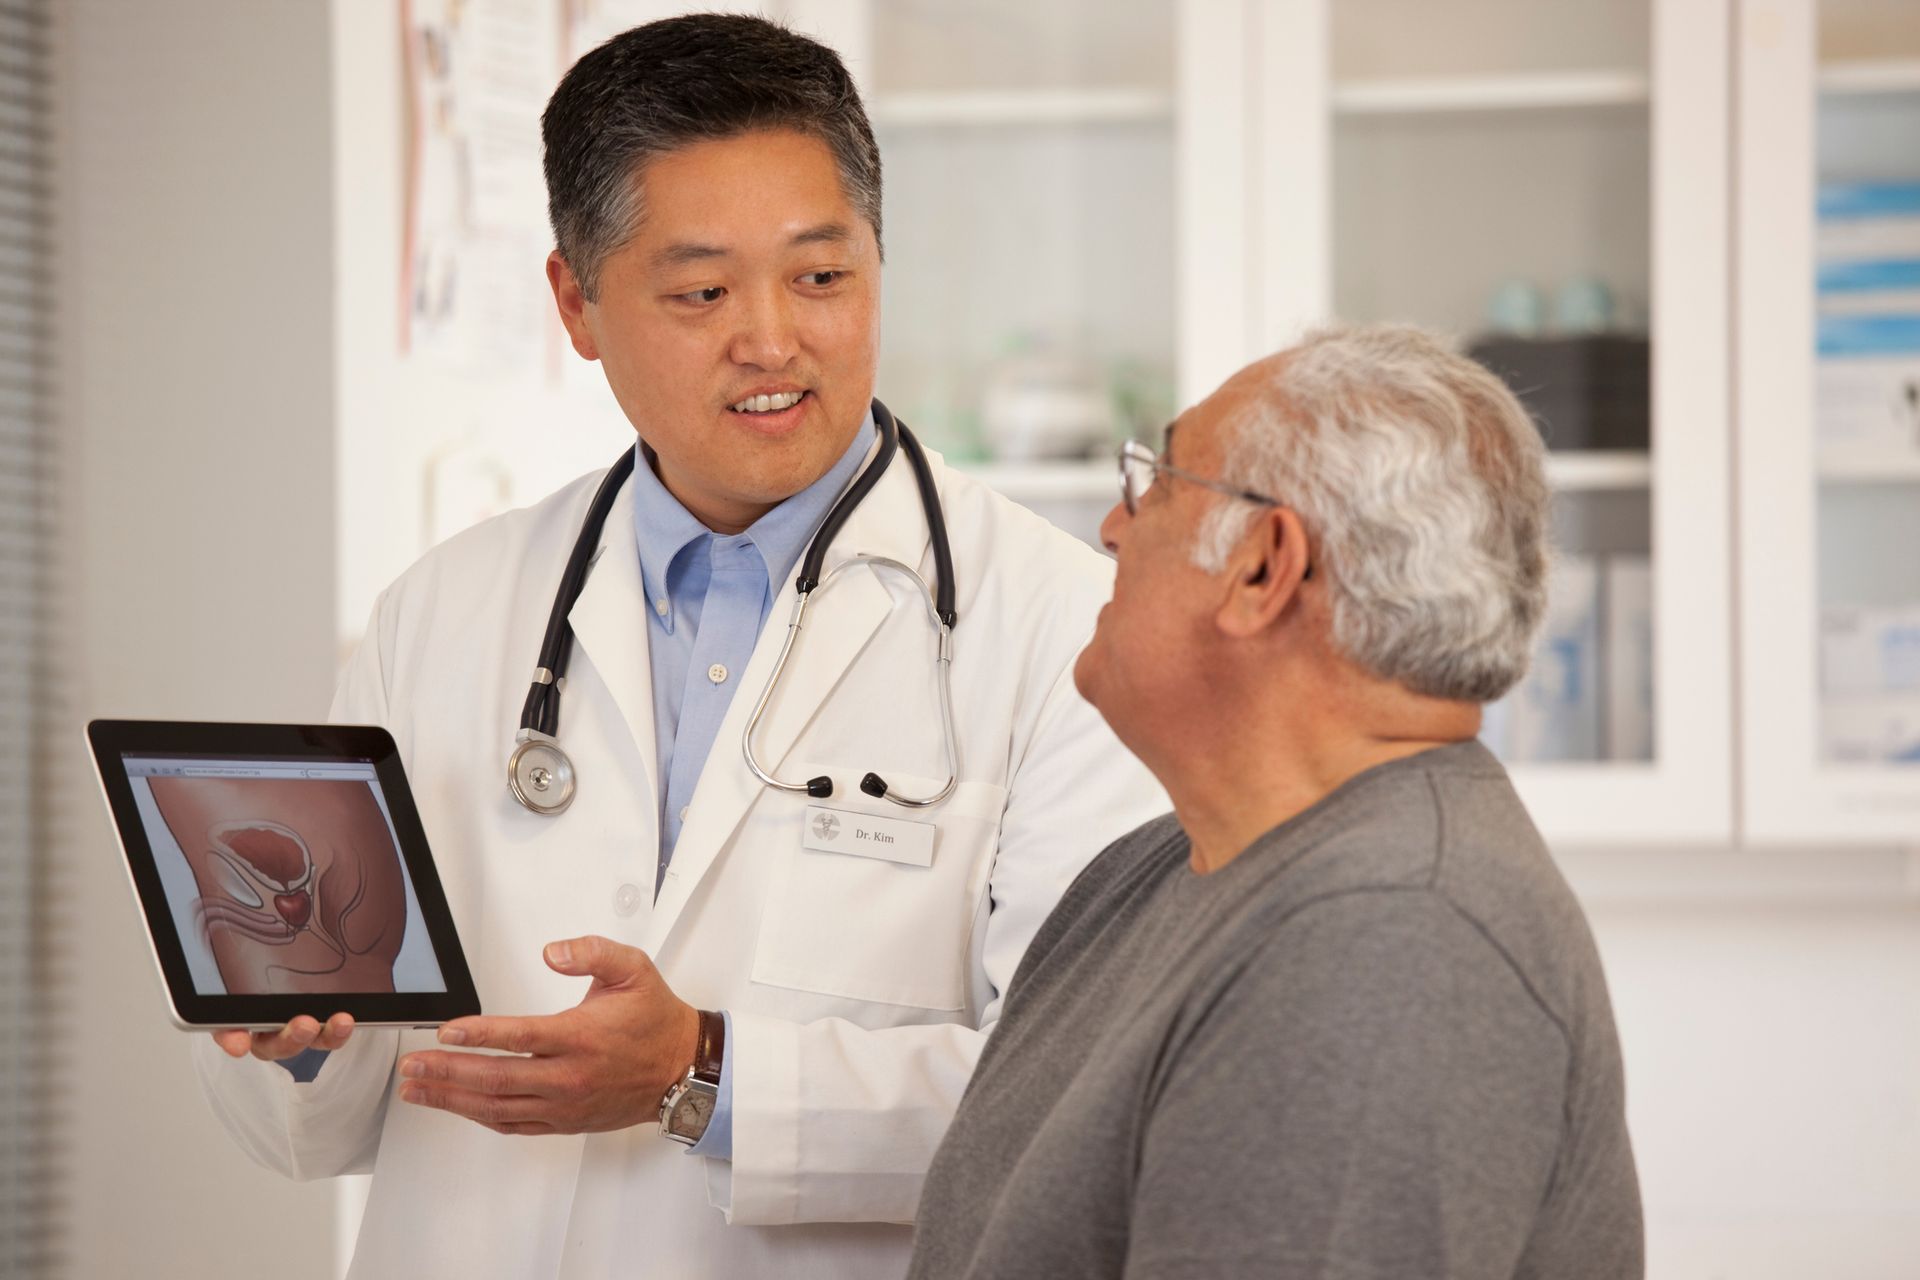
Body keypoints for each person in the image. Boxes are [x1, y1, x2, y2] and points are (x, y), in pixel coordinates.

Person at [191, 14, 1164, 1279]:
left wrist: (706, 1070)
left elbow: (1087, 1091)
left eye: (823, 277)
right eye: (701, 292)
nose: (773, 339)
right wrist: (300, 1036)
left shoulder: (1059, 627)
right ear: (576, 302)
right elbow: (326, 1115)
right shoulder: (445, 611)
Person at [908, 325, 1644, 1279]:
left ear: (1263, 566)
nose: (1113, 526)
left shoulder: (1394, 935)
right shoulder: (1146, 876)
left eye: (1158, 483)